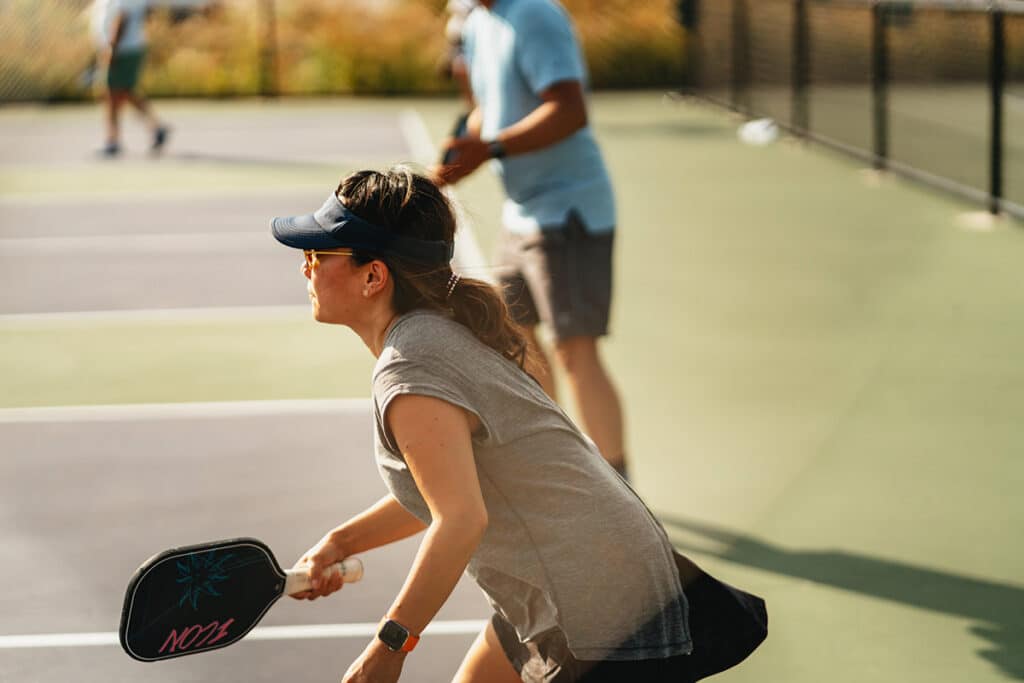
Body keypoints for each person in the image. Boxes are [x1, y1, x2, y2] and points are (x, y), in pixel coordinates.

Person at [271, 167, 700, 683]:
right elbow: (449, 488)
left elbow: (460, 518)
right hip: (600, 578)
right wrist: (341, 542)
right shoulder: (439, 331)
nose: (306, 267)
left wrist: (391, 645)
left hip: (598, 613)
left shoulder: (412, 365)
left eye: (318, 255)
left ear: (373, 276)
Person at [433, 0, 628, 478]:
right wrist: (452, 166)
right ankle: (564, 465)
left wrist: (492, 148)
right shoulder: (478, 23)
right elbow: (485, 111)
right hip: (519, 213)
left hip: (568, 211)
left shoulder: (536, 13)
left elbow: (568, 109)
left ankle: (622, 487)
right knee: (519, 339)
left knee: (574, 350)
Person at [90, 0, 170, 157]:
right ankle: (156, 127)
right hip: (124, 48)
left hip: (123, 50)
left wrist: (112, 48)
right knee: (124, 91)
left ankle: (112, 140)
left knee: (113, 93)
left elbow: (122, 18)